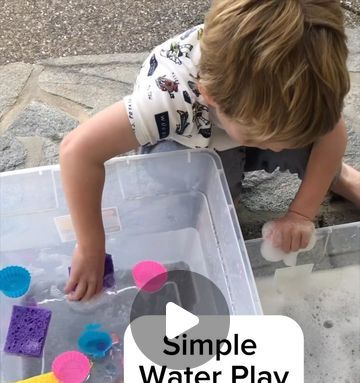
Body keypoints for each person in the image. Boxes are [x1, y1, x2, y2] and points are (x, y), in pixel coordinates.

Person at [60, 0, 360, 301]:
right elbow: (77, 151)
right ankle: (228, 189)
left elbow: (330, 133)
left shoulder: (310, 86)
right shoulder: (168, 98)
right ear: (211, 96)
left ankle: (338, 176)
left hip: (232, 122)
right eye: (268, 139)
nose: (282, 149)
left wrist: (300, 213)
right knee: (195, 187)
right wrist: (91, 247)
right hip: (186, 137)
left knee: (314, 148)